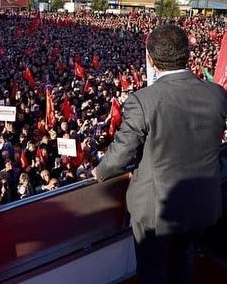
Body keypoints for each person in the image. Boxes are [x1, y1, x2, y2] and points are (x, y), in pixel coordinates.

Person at [92, 24, 227, 284]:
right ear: (188, 54)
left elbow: (119, 155)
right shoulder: (216, 94)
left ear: (151, 61)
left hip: (157, 211)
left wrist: (99, 171)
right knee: (184, 262)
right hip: (202, 204)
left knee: (153, 272)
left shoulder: (143, 100)